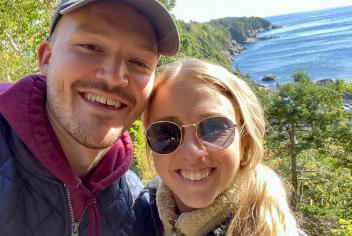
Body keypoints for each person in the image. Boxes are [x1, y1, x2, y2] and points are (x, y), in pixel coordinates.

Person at [0, 0, 179, 235]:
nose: (114, 77)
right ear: (46, 58)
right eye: (90, 46)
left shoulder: (137, 205)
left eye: (138, 62)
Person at [135, 58, 306, 236]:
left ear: (245, 142)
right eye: (166, 132)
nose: (192, 152)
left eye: (213, 128)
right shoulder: (142, 213)